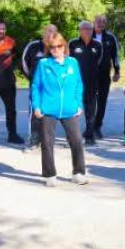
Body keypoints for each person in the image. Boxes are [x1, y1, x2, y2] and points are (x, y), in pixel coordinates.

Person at [31, 32, 89, 186]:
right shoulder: (43, 64)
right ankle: (49, 175)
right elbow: (36, 86)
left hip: (70, 109)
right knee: (47, 143)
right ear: (49, 49)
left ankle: (78, 173)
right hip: (48, 109)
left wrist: (78, 104)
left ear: (64, 46)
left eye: (59, 46)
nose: (56, 49)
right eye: (52, 47)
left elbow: (79, 85)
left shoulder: (73, 63)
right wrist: (36, 106)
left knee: (76, 140)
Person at [21, 24, 57, 149]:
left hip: (53, 88)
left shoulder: (58, 47)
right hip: (36, 87)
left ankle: (47, 140)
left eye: (53, 31)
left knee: (51, 113)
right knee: (35, 112)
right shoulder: (33, 46)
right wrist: (32, 78)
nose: (50, 33)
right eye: (48, 30)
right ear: (43, 32)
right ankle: (34, 140)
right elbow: (24, 63)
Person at [69, 21, 103, 146]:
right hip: (75, 83)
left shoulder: (97, 44)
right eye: (84, 29)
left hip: (92, 83)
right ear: (79, 30)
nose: (87, 31)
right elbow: (68, 61)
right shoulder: (73, 43)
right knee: (74, 110)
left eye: (89, 29)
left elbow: (99, 60)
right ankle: (73, 136)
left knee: (90, 110)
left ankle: (89, 135)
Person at [92, 14, 120, 139]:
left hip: (104, 74)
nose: (101, 23)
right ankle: (89, 127)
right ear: (94, 22)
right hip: (89, 75)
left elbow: (116, 56)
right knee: (89, 101)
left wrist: (117, 71)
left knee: (102, 102)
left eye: (103, 21)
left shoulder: (110, 37)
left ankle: (97, 127)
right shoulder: (88, 35)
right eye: (98, 21)